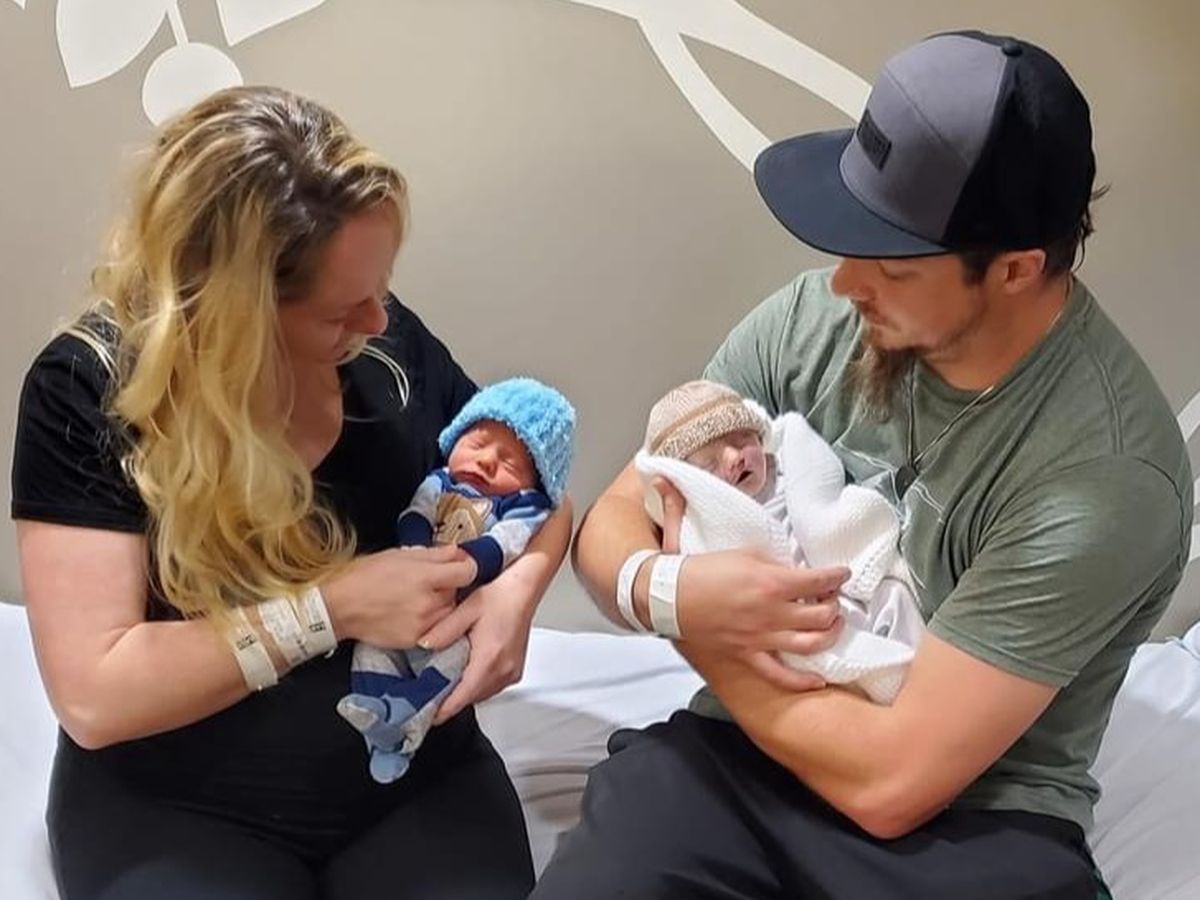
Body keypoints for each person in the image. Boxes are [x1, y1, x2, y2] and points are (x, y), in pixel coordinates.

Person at [535, 29, 1191, 900]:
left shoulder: (1105, 475)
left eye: (890, 264)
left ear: (1015, 270)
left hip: (976, 820)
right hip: (739, 762)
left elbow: (891, 783)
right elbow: (615, 521)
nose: (845, 283)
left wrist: (699, 629)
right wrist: (669, 590)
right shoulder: (812, 322)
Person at [12, 86, 571, 900]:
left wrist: (516, 593)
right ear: (230, 314)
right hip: (176, 805)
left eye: (382, 288)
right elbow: (96, 693)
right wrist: (330, 610)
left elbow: (543, 493)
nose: (377, 320)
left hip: (408, 778)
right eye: (340, 311)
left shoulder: (384, 348)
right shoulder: (91, 389)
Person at [338, 377, 575, 784]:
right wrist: (416, 551)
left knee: (451, 661)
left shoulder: (523, 505)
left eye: (511, 464)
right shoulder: (440, 481)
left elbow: (507, 541)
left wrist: (471, 568)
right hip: (400, 605)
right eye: (477, 444)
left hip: (456, 616)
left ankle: (409, 715)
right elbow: (416, 515)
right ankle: (377, 717)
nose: (486, 462)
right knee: (372, 650)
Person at [635, 379, 923, 703]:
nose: (734, 458)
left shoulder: (787, 466)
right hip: (782, 620)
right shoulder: (703, 521)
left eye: (742, 440)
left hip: (845, 586)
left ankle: (920, 687)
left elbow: (821, 491)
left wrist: (827, 527)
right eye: (709, 464)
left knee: (895, 596)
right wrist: (675, 525)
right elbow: (684, 581)